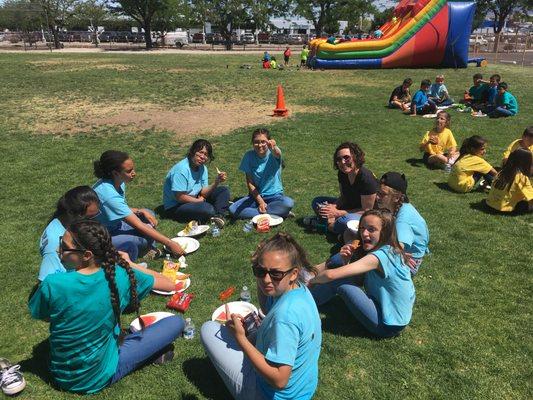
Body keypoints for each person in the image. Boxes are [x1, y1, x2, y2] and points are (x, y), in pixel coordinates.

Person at [28, 220, 184, 394]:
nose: (58, 250)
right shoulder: (120, 275)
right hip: (96, 377)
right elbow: (169, 284)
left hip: (59, 372)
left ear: (87, 255)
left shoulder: (53, 283)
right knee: (176, 323)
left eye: (64, 246)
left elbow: (43, 315)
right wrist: (128, 263)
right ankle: (151, 354)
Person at [201, 233, 322, 400]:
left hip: (269, 393)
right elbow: (267, 306)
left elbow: (279, 380)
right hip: (302, 389)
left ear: (294, 273)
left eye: (275, 274)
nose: (266, 279)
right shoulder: (298, 289)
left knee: (208, 329)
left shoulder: (285, 318)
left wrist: (241, 338)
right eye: (260, 271)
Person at [309, 209, 415, 338]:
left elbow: (331, 275)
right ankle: (308, 299)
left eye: (371, 229)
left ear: (385, 232)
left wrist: (311, 281)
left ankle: (304, 302)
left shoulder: (379, 257)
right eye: (362, 228)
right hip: (393, 316)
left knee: (339, 281)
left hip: (387, 325)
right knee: (341, 271)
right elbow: (359, 281)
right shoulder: (389, 250)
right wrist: (346, 260)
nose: (364, 233)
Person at [319, 172, 429, 276]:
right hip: (392, 249)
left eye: (382, 194)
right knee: (350, 235)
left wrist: (401, 254)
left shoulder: (404, 219)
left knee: (356, 251)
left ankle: (324, 269)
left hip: (406, 261)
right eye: (378, 193)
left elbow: (397, 248)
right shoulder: (391, 206)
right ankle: (347, 256)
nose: (377, 197)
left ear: (396, 197)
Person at [93, 150, 185, 260]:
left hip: (115, 224)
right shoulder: (108, 195)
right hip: (102, 235)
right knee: (142, 238)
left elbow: (119, 208)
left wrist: (138, 210)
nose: (134, 173)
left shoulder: (118, 182)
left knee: (148, 213)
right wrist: (170, 243)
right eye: (129, 171)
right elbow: (138, 225)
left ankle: (147, 247)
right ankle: (146, 248)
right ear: (115, 173)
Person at [308, 142, 378, 235]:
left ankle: (327, 225)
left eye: (346, 157)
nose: (342, 162)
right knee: (317, 202)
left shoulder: (366, 179)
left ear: (355, 157)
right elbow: (343, 196)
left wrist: (337, 213)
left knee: (345, 221)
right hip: (349, 206)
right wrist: (333, 206)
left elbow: (367, 211)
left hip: (365, 214)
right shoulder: (342, 173)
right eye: (339, 159)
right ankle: (332, 224)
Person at [39, 186, 102, 282]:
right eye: (88, 218)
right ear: (70, 213)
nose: (94, 222)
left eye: (95, 216)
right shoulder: (55, 244)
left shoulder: (67, 224)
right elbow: (46, 282)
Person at [229, 128, 294, 219]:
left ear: (268, 142)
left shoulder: (273, 154)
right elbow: (250, 183)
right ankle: (277, 212)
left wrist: (274, 147)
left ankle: (268, 211)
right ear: (252, 143)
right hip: (256, 196)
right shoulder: (248, 156)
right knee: (233, 209)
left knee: (288, 203)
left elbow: (278, 153)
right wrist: (261, 202)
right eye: (256, 142)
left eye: (263, 142)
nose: (260, 145)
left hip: (275, 196)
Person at [163, 139, 230, 226]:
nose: (202, 157)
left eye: (206, 155)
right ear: (192, 151)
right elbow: (180, 197)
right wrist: (198, 201)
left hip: (196, 198)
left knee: (223, 190)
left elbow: (203, 192)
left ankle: (219, 216)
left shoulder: (203, 168)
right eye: (200, 152)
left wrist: (216, 182)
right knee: (208, 209)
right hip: (176, 206)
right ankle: (218, 208)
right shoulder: (181, 170)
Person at [487, 149, 533, 213]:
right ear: (526, 163)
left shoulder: (502, 172)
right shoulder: (521, 177)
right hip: (504, 208)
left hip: (490, 204)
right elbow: (531, 197)